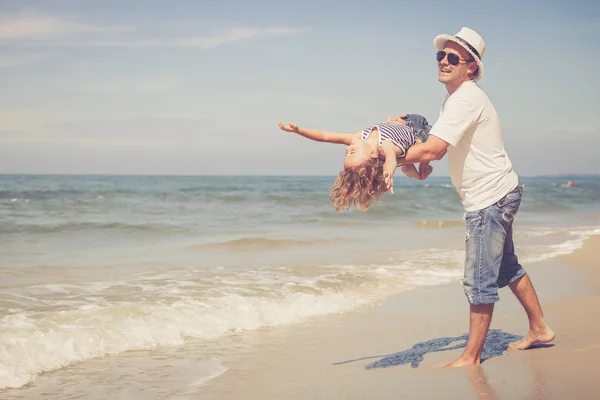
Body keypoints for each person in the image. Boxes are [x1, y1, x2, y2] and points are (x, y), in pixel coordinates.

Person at [387, 27, 555, 367]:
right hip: (501, 190)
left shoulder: (465, 99)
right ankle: (539, 329)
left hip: (489, 198)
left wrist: (385, 155)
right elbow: (436, 135)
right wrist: (411, 127)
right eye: (441, 56)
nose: (444, 62)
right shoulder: (455, 99)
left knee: (479, 277)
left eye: (453, 58)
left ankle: (471, 357)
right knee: (507, 266)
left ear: (471, 68)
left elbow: (434, 150)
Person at [277, 114, 433, 211]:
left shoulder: (358, 137)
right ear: (372, 153)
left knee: (406, 166)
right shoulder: (386, 146)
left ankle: (415, 170)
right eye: (352, 152)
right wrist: (388, 173)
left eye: (347, 153)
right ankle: (423, 172)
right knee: (417, 155)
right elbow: (391, 160)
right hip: (419, 131)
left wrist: (299, 131)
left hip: (408, 120)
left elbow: (325, 136)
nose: (347, 149)